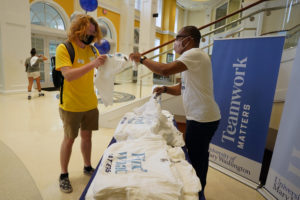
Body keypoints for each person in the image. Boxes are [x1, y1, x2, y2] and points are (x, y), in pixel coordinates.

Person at [129, 26, 221, 199]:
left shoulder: (195, 54)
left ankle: (198, 193)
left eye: (177, 38)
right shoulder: (191, 60)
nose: (175, 43)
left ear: (188, 40)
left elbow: (164, 70)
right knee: (197, 155)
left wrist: (142, 59)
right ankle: (197, 189)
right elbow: (181, 88)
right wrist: (164, 89)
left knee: (196, 159)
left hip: (203, 119)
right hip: (200, 117)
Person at [55, 14, 107, 193]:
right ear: (79, 30)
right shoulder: (65, 48)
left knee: (87, 137)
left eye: (94, 33)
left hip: (90, 103)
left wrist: (108, 62)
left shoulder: (92, 50)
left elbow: (99, 66)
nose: (91, 36)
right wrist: (93, 65)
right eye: (89, 32)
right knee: (69, 139)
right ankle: (63, 174)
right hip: (71, 105)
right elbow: (68, 75)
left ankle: (87, 166)